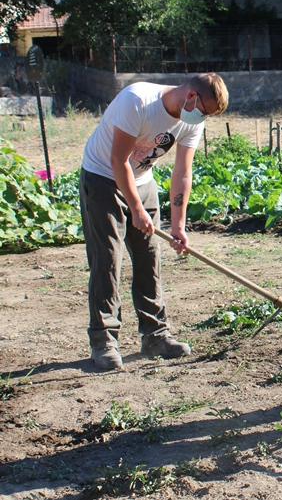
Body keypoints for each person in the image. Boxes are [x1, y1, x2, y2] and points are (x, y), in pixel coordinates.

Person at [79, 73, 229, 370]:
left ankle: (155, 335)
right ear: (191, 97)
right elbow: (118, 160)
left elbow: (182, 174)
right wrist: (135, 209)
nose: (202, 119)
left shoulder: (190, 121)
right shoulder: (137, 102)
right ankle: (104, 340)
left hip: (142, 180)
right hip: (102, 178)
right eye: (204, 112)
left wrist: (178, 226)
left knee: (149, 258)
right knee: (107, 258)